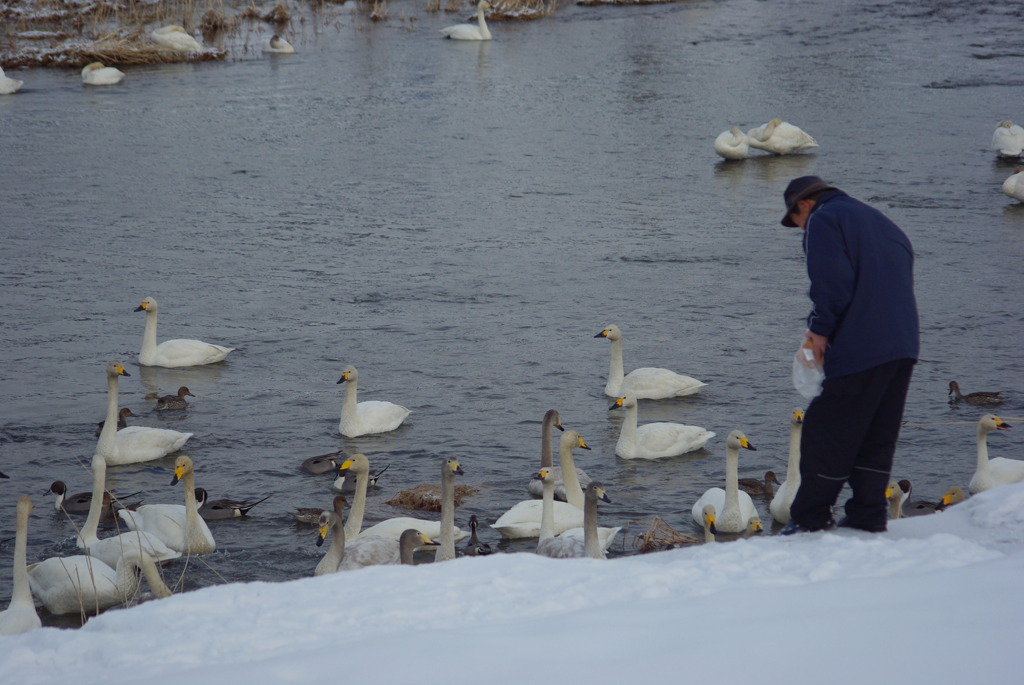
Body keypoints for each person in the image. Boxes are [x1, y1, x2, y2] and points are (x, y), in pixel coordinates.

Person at [778, 176, 919, 534]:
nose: (801, 230)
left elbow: (832, 283)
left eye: (796, 222)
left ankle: (810, 518)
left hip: (861, 344)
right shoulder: (880, 222)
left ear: (804, 205)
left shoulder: (824, 219)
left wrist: (819, 331)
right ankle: (868, 513)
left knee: (826, 429)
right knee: (876, 431)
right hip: (903, 344)